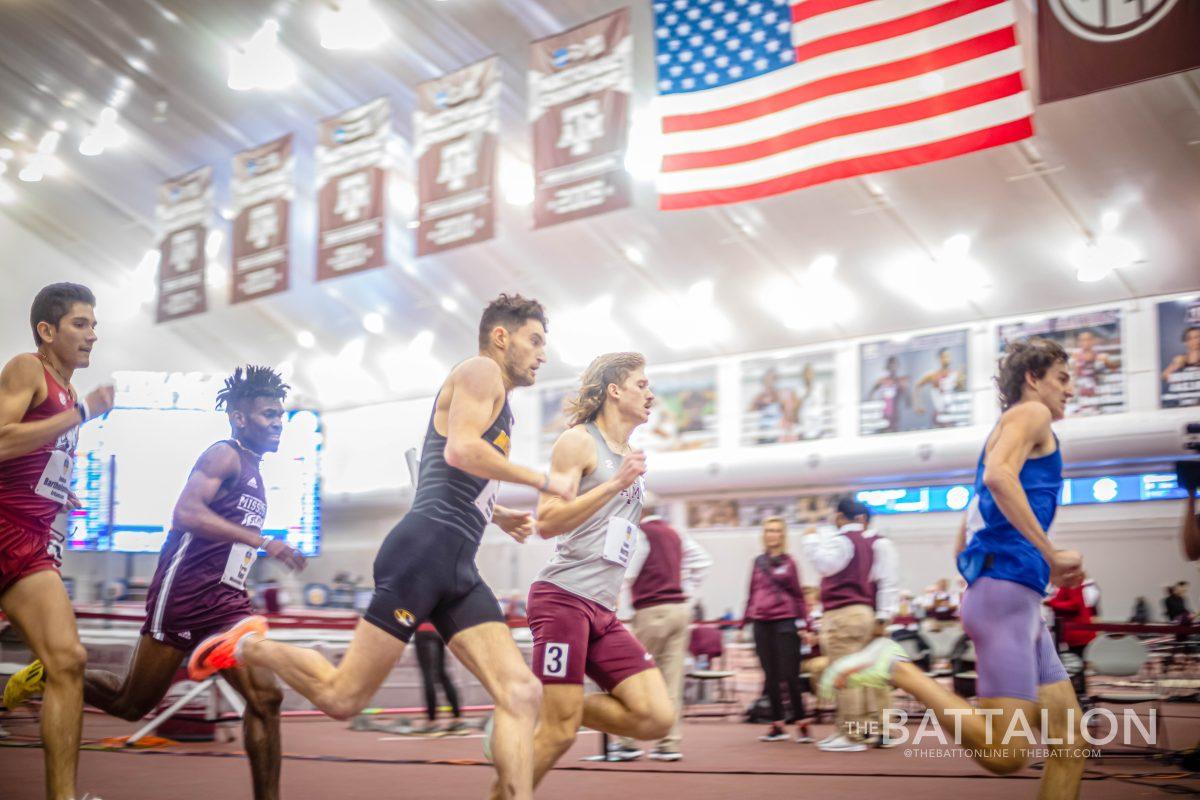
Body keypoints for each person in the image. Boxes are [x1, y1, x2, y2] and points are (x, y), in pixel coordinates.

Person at [188, 294, 573, 800]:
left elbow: (448, 470)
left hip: (456, 563)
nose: (543, 354)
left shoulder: (495, 395)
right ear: (502, 337)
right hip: (423, 554)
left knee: (520, 693)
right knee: (343, 697)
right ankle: (248, 645)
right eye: (535, 340)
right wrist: (545, 479)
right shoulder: (481, 371)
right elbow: (461, 449)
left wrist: (497, 514)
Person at [8, 365, 305, 800]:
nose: (278, 423)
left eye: (281, 415)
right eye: (268, 415)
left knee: (266, 699)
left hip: (227, 604)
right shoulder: (223, 455)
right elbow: (186, 514)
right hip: (183, 596)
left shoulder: (257, 472)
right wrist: (262, 541)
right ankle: (48, 674)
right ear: (240, 417)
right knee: (133, 704)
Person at [822, 337, 1087, 797]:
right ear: (1032, 379)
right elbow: (998, 478)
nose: (1071, 391)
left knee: (1070, 742)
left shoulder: (1005, 431)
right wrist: (1050, 553)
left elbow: (966, 533)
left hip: (1012, 599)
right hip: (1007, 598)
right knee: (1006, 755)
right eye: (1062, 379)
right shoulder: (1031, 413)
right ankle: (897, 667)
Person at [508, 352, 674, 797]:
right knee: (560, 734)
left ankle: (540, 705)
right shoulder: (578, 442)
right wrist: (614, 484)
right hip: (562, 598)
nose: (651, 394)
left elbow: (616, 537)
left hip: (602, 609)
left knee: (656, 717)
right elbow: (547, 521)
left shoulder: (630, 457)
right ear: (614, 390)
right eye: (642, 384)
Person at [0, 283, 114, 800]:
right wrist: (82, 415)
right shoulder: (29, 369)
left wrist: (59, 493)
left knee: (66, 660)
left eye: (94, 324)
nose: (93, 334)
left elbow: (34, 458)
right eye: (81, 324)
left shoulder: (67, 393)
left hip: (27, 543)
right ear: (47, 331)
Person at [611, 505, 713, 761]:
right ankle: (669, 743)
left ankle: (626, 741)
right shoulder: (676, 532)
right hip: (679, 610)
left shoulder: (637, 532)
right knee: (672, 680)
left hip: (651, 610)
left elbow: (627, 573)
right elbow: (702, 562)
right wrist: (687, 595)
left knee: (633, 677)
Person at [802, 498, 897, 752]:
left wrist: (883, 617)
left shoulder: (870, 542)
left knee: (858, 675)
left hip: (861, 614)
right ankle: (866, 729)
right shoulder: (864, 543)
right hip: (865, 613)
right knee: (863, 674)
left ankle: (867, 730)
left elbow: (887, 583)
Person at [742, 516, 812, 744]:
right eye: (769, 530)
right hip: (761, 623)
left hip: (786, 622)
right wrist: (744, 622)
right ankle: (777, 725)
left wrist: (805, 624)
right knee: (770, 676)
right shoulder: (757, 562)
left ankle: (801, 723)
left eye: (776, 530)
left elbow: (799, 597)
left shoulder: (789, 562)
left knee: (790, 675)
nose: (772, 534)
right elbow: (751, 592)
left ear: (782, 535)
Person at [413, 627, 463, 734]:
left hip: (423, 631)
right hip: (438, 632)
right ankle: (458, 719)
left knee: (428, 674)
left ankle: (432, 722)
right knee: (442, 674)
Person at [914, 348, 966, 428]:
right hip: (939, 417)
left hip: (953, 416)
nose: (947, 359)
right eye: (944, 357)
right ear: (940, 359)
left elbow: (961, 393)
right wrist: (918, 405)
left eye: (948, 356)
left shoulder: (955, 375)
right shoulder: (933, 375)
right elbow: (917, 386)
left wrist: (961, 382)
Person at [866, 356, 911, 433]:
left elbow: (908, 398)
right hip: (882, 415)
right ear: (888, 366)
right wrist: (871, 401)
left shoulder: (900, 381)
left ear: (897, 366)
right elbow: (871, 392)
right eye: (891, 365)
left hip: (894, 415)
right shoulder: (882, 380)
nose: (893, 367)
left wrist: (908, 400)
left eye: (895, 365)